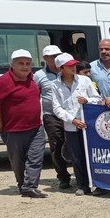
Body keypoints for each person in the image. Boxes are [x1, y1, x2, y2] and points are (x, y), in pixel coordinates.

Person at [0, 49, 47, 198]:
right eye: (20, 63)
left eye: (28, 63)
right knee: (18, 162)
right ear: (12, 64)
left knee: (35, 158)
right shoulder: (3, 81)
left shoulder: (33, 78)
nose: (25, 66)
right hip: (13, 130)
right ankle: (22, 184)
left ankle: (30, 186)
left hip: (36, 128)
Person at [51, 52, 102, 196]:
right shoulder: (55, 85)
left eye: (74, 65)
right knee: (76, 156)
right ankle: (82, 185)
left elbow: (97, 98)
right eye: (69, 66)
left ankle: (97, 184)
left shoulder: (84, 80)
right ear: (62, 68)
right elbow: (57, 107)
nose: (73, 67)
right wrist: (72, 120)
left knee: (90, 155)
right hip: (71, 126)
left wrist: (87, 101)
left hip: (87, 124)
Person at [34, 44, 72, 190]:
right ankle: (63, 176)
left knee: (74, 145)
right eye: (52, 57)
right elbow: (35, 94)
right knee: (56, 146)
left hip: (70, 115)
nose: (56, 59)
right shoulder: (39, 75)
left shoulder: (68, 71)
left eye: (58, 55)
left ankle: (81, 174)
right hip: (51, 116)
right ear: (45, 58)